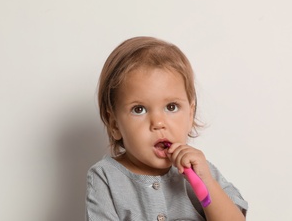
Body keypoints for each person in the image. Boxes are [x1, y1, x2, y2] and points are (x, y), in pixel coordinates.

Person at [86, 36, 248, 221]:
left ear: (190, 114)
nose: (158, 123)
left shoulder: (201, 170)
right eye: (139, 109)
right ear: (114, 124)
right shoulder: (106, 177)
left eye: (171, 107)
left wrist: (207, 183)